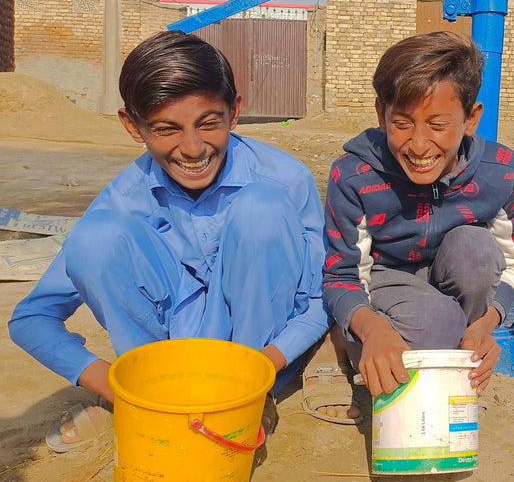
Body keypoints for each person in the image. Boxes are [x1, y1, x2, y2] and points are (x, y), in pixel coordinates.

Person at [8, 30, 329, 451]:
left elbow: (324, 297)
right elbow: (31, 320)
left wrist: (262, 366)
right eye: (166, 129)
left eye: (208, 123)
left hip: (259, 366)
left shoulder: (285, 180)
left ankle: (252, 401)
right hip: (166, 375)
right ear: (132, 125)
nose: (193, 148)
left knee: (260, 210)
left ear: (235, 112)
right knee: (97, 237)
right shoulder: (123, 201)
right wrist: (116, 386)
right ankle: (152, 401)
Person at [321, 31, 514, 402]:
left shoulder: (501, 172)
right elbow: (341, 276)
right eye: (402, 123)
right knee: (438, 325)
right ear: (380, 115)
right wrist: (371, 329)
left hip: (448, 276)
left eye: (437, 125)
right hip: (384, 282)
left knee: (477, 252)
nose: (418, 145)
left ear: (471, 118)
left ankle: (458, 354)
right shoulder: (353, 176)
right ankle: (346, 343)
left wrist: (486, 324)